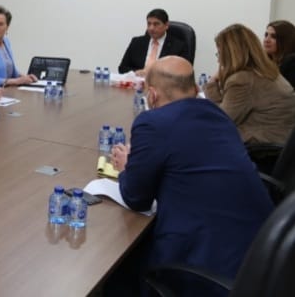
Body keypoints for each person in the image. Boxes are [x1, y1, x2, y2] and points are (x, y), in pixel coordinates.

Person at [110, 56, 273, 295]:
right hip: (260, 257)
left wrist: (127, 167)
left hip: (207, 266)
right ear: (195, 90)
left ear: (152, 95)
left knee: (118, 269)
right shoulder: (218, 115)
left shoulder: (153, 123)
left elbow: (136, 198)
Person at [204, 23, 295, 144]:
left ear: (231, 54)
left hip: (263, 146)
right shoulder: (266, 70)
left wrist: (211, 83)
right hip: (282, 141)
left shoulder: (242, 80)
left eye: (219, 53)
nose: (218, 60)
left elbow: (220, 119)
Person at [118, 8, 190, 75]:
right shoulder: (136, 42)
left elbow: (183, 73)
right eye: (149, 24)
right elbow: (122, 68)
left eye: (156, 24)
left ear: (166, 25)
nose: (151, 28)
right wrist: (136, 72)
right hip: (138, 82)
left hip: (164, 83)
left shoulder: (179, 46)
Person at [263, 19, 295, 88]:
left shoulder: (292, 63)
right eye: (266, 35)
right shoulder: (264, 61)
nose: (266, 40)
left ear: (286, 40)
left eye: (273, 36)